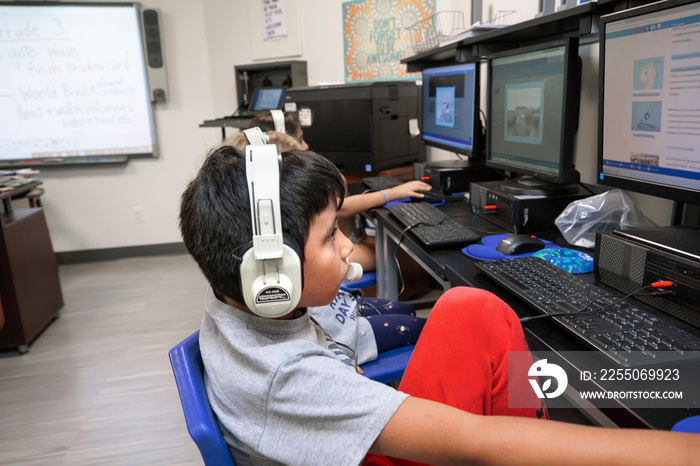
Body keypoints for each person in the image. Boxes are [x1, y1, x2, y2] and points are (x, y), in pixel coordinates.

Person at [179, 145, 699, 465]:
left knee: (468, 308)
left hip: (345, 433)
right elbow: (478, 442)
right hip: (362, 445)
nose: (344, 246)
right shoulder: (288, 381)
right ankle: (655, 395)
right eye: (328, 236)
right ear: (270, 274)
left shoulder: (240, 293)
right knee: (487, 330)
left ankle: (643, 385)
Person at [221, 129, 426, 364]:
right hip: (349, 336)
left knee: (408, 309)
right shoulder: (281, 287)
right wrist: (340, 361)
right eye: (331, 233)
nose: (307, 146)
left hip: (342, 315)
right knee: (425, 328)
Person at [249, 111, 433, 272]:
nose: (305, 146)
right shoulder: (292, 186)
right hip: (323, 253)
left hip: (322, 248)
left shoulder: (260, 180)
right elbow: (341, 208)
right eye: (299, 139)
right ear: (282, 140)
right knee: (395, 257)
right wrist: (394, 193)